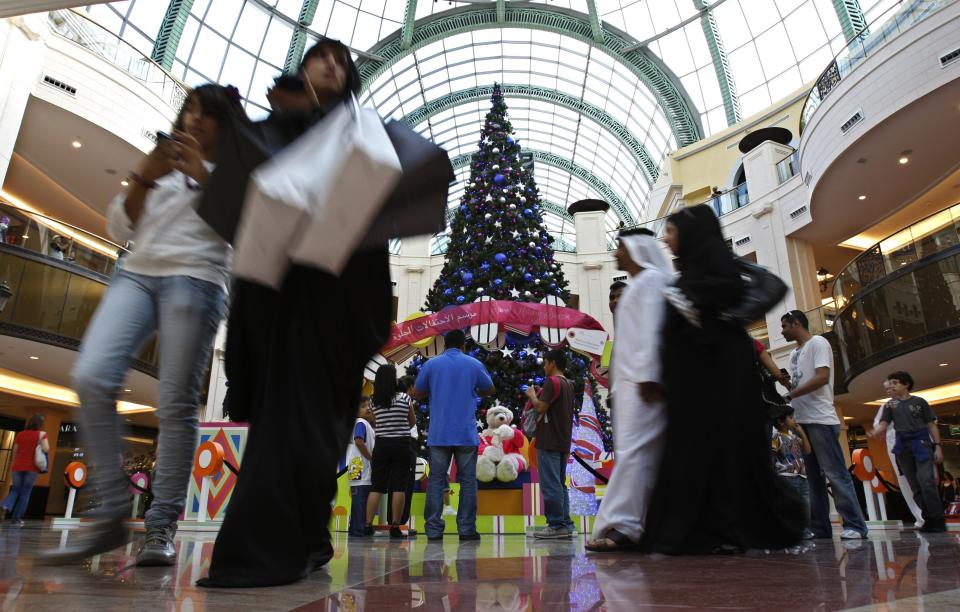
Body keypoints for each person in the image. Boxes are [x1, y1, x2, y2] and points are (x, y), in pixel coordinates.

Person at [198, 38, 393, 588]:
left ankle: (309, 537)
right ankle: (260, 552)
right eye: (319, 56)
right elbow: (252, 192)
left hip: (342, 298)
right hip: (288, 299)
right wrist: (276, 119)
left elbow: (372, 207)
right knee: (291, 421)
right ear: (301, 70)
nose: (331, 63)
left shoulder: (360, 126)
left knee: (324, 431)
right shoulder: (278, 123)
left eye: (340, 59)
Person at [43, 85, 243, 566]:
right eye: (191, 109)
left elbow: (243, 232)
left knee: (176, 403)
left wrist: (202, 176)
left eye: (208, 114)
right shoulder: (161, 165)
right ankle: (112, 507)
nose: (195, 120)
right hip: (137, 273)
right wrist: (144, 178)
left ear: (226, 124)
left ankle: (160, 528)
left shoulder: (236, 173)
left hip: (196, 280)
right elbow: (120, 227)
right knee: (92, 375)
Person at [640, 205, 804, 555]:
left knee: (721, 447)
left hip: (718, 376)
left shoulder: (714, 273)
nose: (667, 239)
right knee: (697, 449)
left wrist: (689, 302)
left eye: (671, 230)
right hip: (694, 380)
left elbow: (717, 309)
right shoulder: (689, 274)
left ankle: (726, 526)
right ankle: (705, 526)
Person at [587, 228, 671, 552]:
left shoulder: (649, 281)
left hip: (642, 385)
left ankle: (624, 527)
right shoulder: (641, 284)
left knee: (635, 455)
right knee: (637, 456)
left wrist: (650, 376)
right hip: (631, 385)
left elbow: (651, 333)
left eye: (621, 247)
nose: (615, 253)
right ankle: (635, 524)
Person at [781, 310, 868, 540]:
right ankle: (819, 527)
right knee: (813, 478)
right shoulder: (793, 354)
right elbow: (799, 383)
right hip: (803, 421)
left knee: (836, 474)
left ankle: (855, 526)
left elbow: (821, 377)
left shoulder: (818, 343)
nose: (782, 331)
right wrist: (786, 384)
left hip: (820, 419)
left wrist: (791, 395)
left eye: (785, 326)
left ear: (796, 323)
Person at [411, 329, 496, 541]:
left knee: (436, 481)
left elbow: (418, 392)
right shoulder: (474, 364)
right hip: (465, 433)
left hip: (439, 433)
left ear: (444, 345)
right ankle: (467, 529)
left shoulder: (431, 364)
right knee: (468, 481)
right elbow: (490, 388)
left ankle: (433, 529)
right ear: (463, 345)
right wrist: (473, 389)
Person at [869, 371, 946, 533]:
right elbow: (883, 423)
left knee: (925, 480)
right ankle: (928, 518)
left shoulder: (920, 402)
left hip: (921, 444)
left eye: (896, 383)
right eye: (891, 383)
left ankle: (938, 518)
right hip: (902, 448)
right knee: (914, 486)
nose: (892, 386)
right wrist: (876, 432)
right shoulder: (890, 405)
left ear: (906, 384)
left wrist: (937, 446)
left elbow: (932, 425)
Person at [524, 348, 576, 539]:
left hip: (548, 440)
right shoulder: (568, 383)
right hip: (563, 440)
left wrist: (532, 395)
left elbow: (540, 407)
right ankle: (565, 523)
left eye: (545, 363)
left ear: (552, 363)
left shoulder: (552, 382)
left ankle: (555, 525)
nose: (544, 367)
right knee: (560, 484)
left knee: (550, 485)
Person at [365, 365, 416, 538]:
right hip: (401, 444)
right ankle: (395, 525)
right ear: (393, 379)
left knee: (377, 485)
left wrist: (385, 428)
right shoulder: (404, 398)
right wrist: (400, 428)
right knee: (399, 486)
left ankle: (367, 525)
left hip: (381, 445)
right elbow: (412, 421)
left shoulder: (373, 401)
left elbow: (374, 422)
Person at [874, 380, 925, 529]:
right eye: (888, 389)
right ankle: (920, 517)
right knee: (906, 481)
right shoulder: (886, 406)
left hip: (918, 446)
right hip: (897, 448)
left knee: (923, 479)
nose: (890, 391)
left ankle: (931, 513)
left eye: (892, 387)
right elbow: (878, 425)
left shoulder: (916, 402)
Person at [770, 405, 815, 540]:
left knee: (806, 505)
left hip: (801, 476)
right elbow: (772, 455)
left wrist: (802, 433)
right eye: (790, 417)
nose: (794, 419)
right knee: (789, 506)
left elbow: (807, 450)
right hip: (786, 477)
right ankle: (790, 530)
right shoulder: (776, 437)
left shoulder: (794, 437)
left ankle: (805, 530)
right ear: (781, 421)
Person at [0, 414, 49, 527]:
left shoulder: (21, 434)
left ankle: (5, 505)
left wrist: (14, 463)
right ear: (41, 424)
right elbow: (46, 449)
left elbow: (15, 451)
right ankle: (16, 519)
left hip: (17, 466)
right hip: (31, 467)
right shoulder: (42, 435)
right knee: (25, 492)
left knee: (15, 490)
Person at [347, 399, 375, 537]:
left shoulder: (366, 424)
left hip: (360, 467)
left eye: (369, 405)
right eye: (363, 406)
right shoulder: (360, 422)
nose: (368, 408)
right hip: (359, 466)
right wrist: (370, 457)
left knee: (360, 499)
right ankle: (358, 529)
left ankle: (356, 528)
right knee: (360, 500)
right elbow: (359, 440)